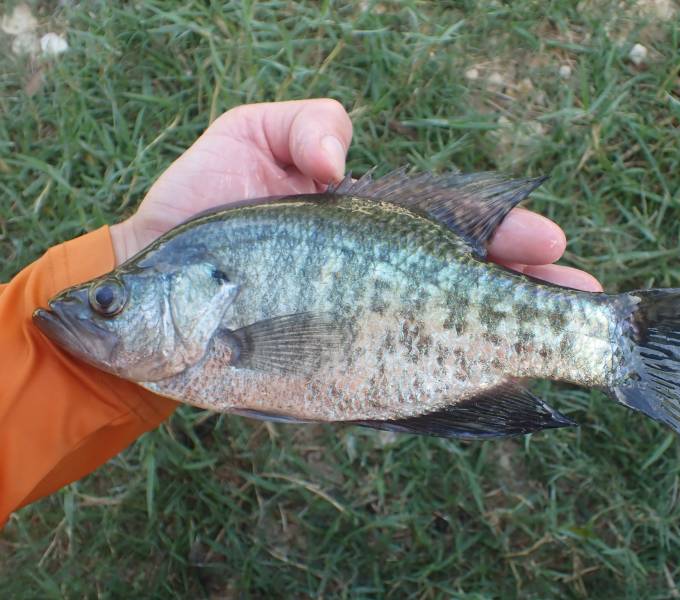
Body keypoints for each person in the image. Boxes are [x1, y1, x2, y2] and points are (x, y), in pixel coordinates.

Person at [0, 99, 602, 527]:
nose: (97, 310)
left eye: (109, 303)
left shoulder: (202, 275)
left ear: (202, 289)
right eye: (108, 302)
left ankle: (608, 343)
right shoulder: (192, 269)